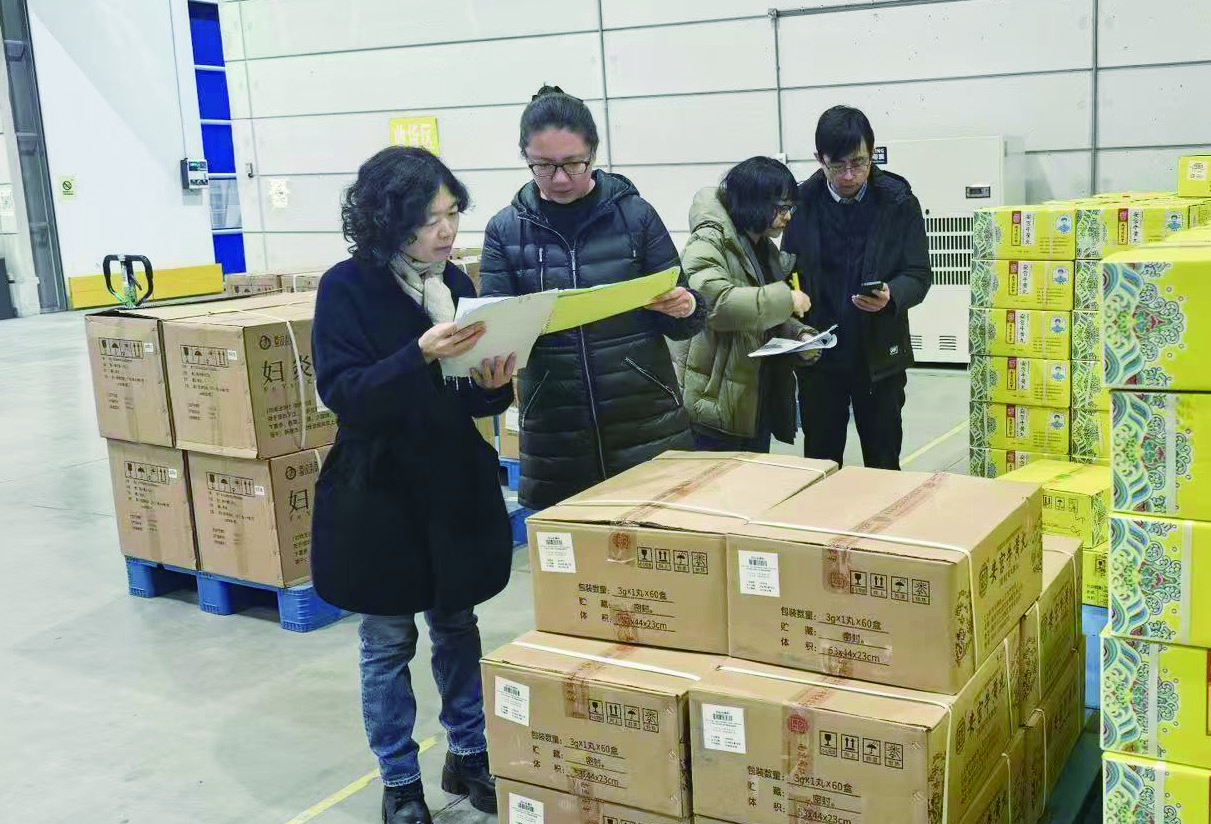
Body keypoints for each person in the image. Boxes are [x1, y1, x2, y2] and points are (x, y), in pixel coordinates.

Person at [310, 146, 516, 824]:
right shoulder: (347, 288)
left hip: (451, 484)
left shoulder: (451, 283)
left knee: (457, 626)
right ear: (389, 220)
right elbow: (345, 393)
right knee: (388, 641)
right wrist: (418, 354)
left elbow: (466, 399)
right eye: (431, 219)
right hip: (381, 494)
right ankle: (400, 781)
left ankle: (469, 753)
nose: (446, 231)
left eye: (452, 213)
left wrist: (493, 384)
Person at [479, 85, 705, 510]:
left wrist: (685, 306)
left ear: (594, 154)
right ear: (526, 158)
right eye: (543, 166)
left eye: (573, 163)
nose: (560, 179)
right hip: (556, 428)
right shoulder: (506, 231)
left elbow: (686, 316)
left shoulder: (635, 216)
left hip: (645, 417)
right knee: (569, 547)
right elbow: (495, 327)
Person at [782, 106, 932, 469]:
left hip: (879, 357)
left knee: (883, 462)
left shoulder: (898, 202)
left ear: (872, 153)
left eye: (859, 163)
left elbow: (918, 274)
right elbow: (788, 272)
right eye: (837, 165)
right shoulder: (801, 204)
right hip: (820, 358)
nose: (849, 175)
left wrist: (891, 296)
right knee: (820, 463)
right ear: (819, 159)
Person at [675, 156, 819, 452]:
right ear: (754, 203)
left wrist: (800, 335)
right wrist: (786, 297)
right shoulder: (709, 240)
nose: (788, 217)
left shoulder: (763, 246)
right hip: (714, 404)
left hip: (752, 400)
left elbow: (762, 313)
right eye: (781, 208)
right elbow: (714, 305)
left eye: (790, 208)